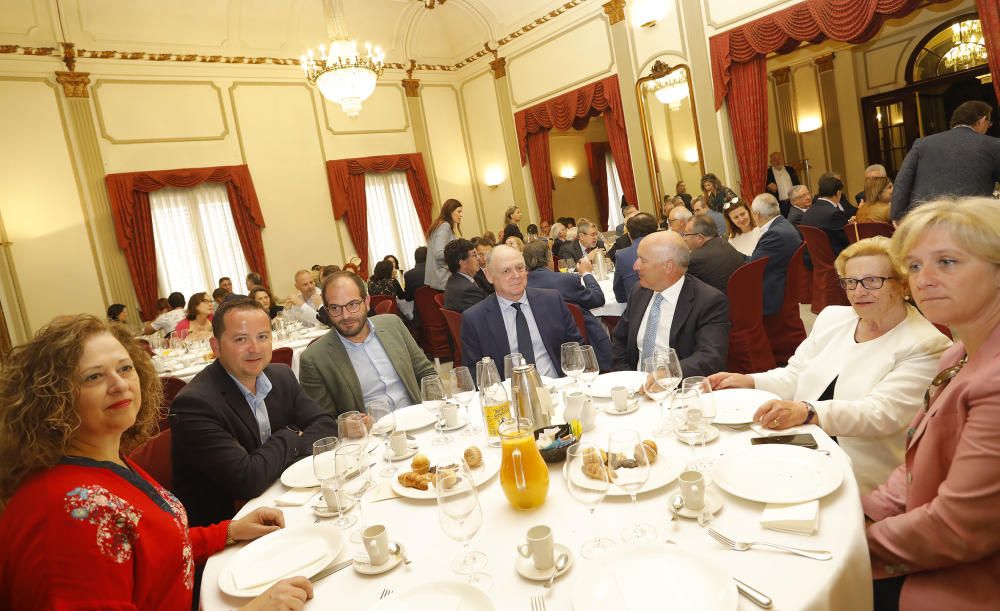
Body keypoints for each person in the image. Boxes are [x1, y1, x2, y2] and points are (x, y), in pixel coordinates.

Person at [0, 315, 313, 609]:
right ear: (54, 396)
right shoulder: (70, 516)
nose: (120, 384)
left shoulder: (98, 460)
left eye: (124, 368)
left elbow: (149, 547)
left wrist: (228, 531)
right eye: (94, 376)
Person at [710, 236, 950, 495]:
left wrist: (807, 411)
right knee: (728, 469)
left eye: (872, 281)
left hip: (859, 469)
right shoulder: (833, 318)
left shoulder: (926, 344)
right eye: (850, 282)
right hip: (802, 442)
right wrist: (750, 381)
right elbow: (795, 375)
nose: (858, 291)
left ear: (903, 285)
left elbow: (879, 413)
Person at [861, 198, 1000, 611]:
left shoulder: (994, 383)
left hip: (970, 581)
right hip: (926, 543)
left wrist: (852, 546)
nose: (924, 280)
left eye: (947, 262)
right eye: (916, 266)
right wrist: (864, 514)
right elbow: (914, 467)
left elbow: (958, 529)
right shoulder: (956, 353)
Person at [171, 298, 337, 526]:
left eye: (262, 337)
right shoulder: (195, 404)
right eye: (241, 339)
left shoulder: (281, 376)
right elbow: (247, 480)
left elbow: (325, 426)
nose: (255, 348)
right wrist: (291, 434)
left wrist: (277, 456)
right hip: (232, 527)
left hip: (288, 501)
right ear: (216, 347)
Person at [299, 272, 436, 416]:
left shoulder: (393, 325)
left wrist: (433, 409)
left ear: (367, 302)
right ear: (327, 310)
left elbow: (426, 373)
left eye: (352, 304)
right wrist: (345, 426)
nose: (345, 316)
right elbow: (322, 421)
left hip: (419, 420)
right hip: (372, 435)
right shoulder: (314, 359)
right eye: (335, 308)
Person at [611, 231, 730, 376]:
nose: (635, 266)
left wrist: (668, 374)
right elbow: (619, 341)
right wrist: (628, 379)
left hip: (678, 390)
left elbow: (710, 358)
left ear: (668, 267)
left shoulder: (708, 301)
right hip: (634, 385)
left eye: (643, 260)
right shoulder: (639, 291)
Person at [461, 245, 582, 380]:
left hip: (557, 387)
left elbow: (575, 348)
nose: (516, 275)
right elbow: (476, 373)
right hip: (509, 396)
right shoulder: (475, 319)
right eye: (506, 271)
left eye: (520, 268)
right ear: (489, 276)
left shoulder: (552, 301)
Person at [891, 101, 1000, 222]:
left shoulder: (922, 143)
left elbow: (902, 180)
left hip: (924, 220)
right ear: (983, 120)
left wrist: (897, 216)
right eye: (988, 124)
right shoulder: (993, 145)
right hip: (969, 223)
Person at [524, 240, 612, 370]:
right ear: (549, 258)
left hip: (540, 348)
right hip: (580, 340)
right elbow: (597, 299)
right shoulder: (566, 280)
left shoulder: (521, 286)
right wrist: (587, 274)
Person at [748, 193, 803, 317]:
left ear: (757, 215)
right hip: (784, 283)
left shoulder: (775, 234)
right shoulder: (784, 225)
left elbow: (753, 266)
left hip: (773, 291)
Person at [683, 214, 746, 295]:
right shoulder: (724, 243)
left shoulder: (695, 259)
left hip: (722, 305)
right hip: (743, 298)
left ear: (700, 238)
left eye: (686, 234)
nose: (684, 239)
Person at [613, 212, 659, 303]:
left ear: (629, 235)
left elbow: (620, 295)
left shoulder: (622, 255)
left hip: (637, 306)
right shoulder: (668, 249)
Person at [802, 173, 851, 257]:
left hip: (815, 260)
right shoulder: (834, 213)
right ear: (838, 193)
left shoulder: (808, 212)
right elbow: (848, 240)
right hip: (835, 259)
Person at [426, 198, 463, 290]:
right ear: (450, 211)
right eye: (458, 211)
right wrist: (458, 254)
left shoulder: (440, 224)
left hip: (439, 278)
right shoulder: (445, 226)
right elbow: (439, 254)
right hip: (444, 278)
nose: (461, 215)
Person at [443, 238, 487, 313]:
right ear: (462, 262)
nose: (479, 258)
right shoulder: (469, 290)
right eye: (474, 255)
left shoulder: (452, 280)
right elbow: (487, 314)